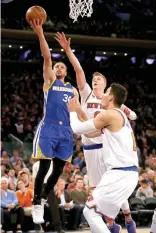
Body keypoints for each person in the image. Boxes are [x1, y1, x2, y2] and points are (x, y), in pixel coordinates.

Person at [55, 32, 137, 232]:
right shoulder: (88, 95)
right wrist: (68, 50)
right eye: (94, 79)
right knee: (99, 192)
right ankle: (112, 224)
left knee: (104, 193)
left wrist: (75, 114)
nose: (95, 80)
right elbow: (79, 69)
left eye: (99, 79)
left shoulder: (114, 107)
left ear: (107, 86)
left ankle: (126, 218)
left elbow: (132, 116)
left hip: (107, 149)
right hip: (92, 148)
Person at [68, 83, 139, 233]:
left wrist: (72, 111)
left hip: (119, 173)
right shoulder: (119, 117)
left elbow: (77, 129)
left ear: (111, 97)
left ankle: (116, 226)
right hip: (127, 173)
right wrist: (80, 111)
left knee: (89, 211)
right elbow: (88, 133)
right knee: (97, 212)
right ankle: (116, 227)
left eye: (106, 92)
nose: (103, 95)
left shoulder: (110, 114)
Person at [29, 19, 78, 224]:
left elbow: (79, 113)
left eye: (61, 66)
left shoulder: (72, 90)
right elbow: (47, 56)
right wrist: (40, 33)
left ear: (66, 72)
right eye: (56, 66)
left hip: (66, 131)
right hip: (48, 128)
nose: (57, 67)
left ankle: (42, 198)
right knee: (43, 167)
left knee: (57, 171)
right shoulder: (50, 81)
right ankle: (36, 202)